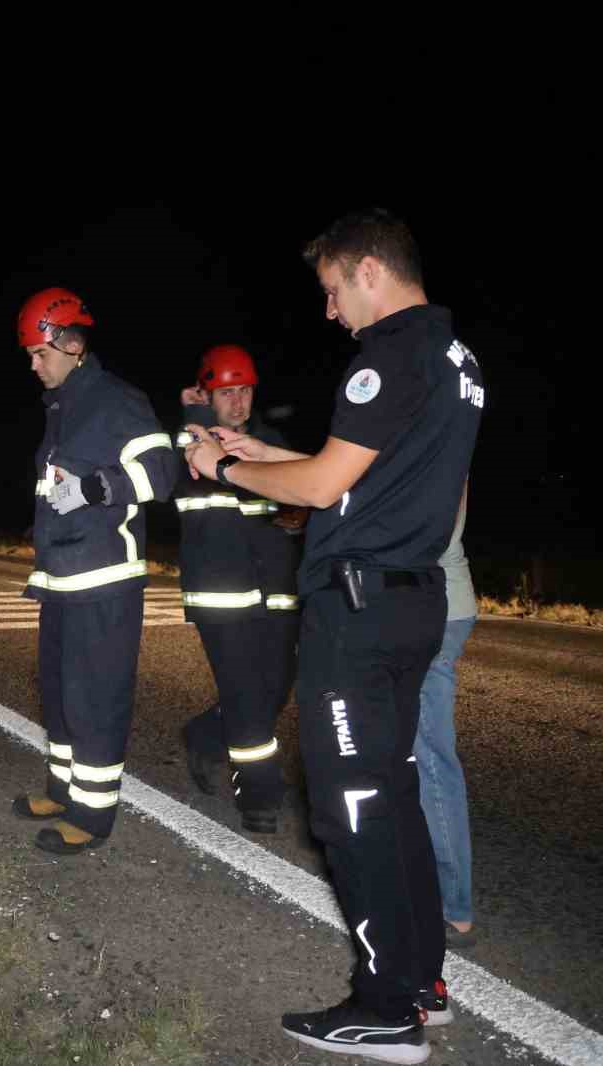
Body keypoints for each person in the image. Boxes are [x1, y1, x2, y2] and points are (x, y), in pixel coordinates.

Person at [182, 208, 483, 1063]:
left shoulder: (387, 355)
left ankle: (386, 1012)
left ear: (366, 271)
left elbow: (321, 487)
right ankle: (423, 985)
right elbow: (367, 475)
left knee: (352, 810)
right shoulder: (457, 361)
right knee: (392, 799)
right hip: (414, 597)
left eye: (330, 290)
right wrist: (268, 455)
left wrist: (226, 464)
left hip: (358, 615)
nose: (328, 311)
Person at [10, 287, 180, 854]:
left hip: (104, 583)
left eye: (40, 353)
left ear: (71, 343)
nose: (34, 366)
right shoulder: (62, 408)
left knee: (95, 698)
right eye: (31, 356)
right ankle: (63, 789)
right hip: (61, 581)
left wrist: (97, 488)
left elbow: (162, 470)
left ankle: (93, 815)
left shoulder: (115, 400)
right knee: (59, 696)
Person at [172, 345, 305, 833]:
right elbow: (174, 472)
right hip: (221, 597)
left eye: (245, 390)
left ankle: (205, 736)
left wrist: (294, 518)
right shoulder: (187, 441)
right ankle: (259, 795)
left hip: (277, 591)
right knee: (247, 692)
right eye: (227, 392)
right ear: (208, 394)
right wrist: (194, 419)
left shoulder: (267, 442)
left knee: (275, 689)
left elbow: (292, 498)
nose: (239, 401)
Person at [417, 488, 477, 955]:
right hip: (439, 600)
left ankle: (453, 904)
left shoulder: (428, 422)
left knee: (431, 756)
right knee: (413, 750)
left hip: (430, 605)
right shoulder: (448, 419)